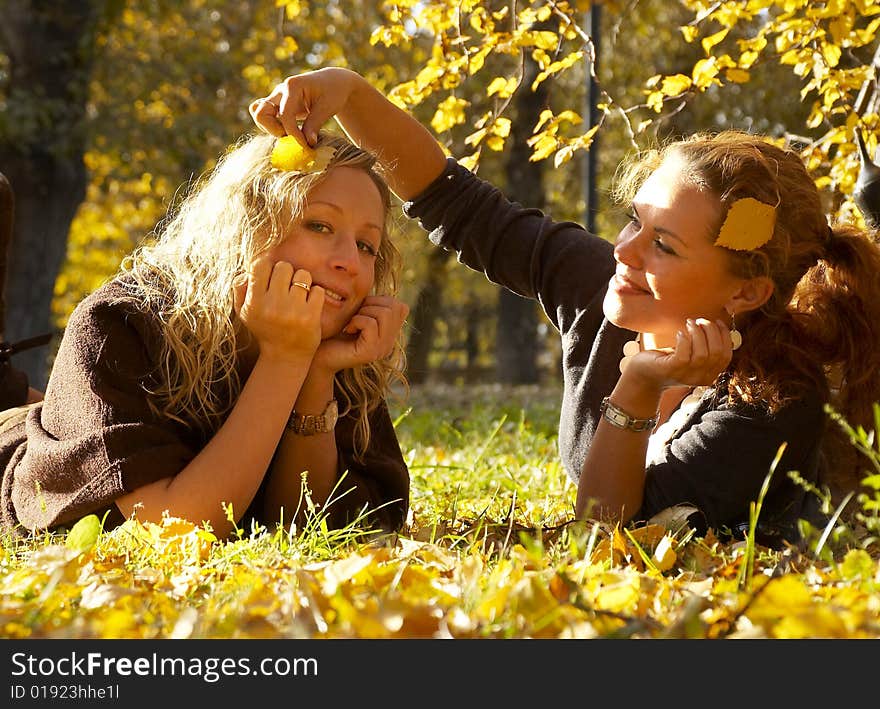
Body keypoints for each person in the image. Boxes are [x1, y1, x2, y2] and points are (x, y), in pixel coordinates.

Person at [250, 67, 880, 545]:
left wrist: (635, 387)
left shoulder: (772, 407)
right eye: (635, 221)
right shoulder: (601, 282)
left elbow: (608, 535)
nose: (625, 251)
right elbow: (457, 206)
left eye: (663, 245)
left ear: (745, 292)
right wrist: (349, 91)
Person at [0, 131, 411, 540]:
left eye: (366, 245)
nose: (349, 262)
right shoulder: (119, 321)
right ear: (249, 226)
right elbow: (175, 530)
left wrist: (314, 375)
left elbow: (303, 531)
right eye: (319, 225)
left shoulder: (341, 354)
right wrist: (285, 359)